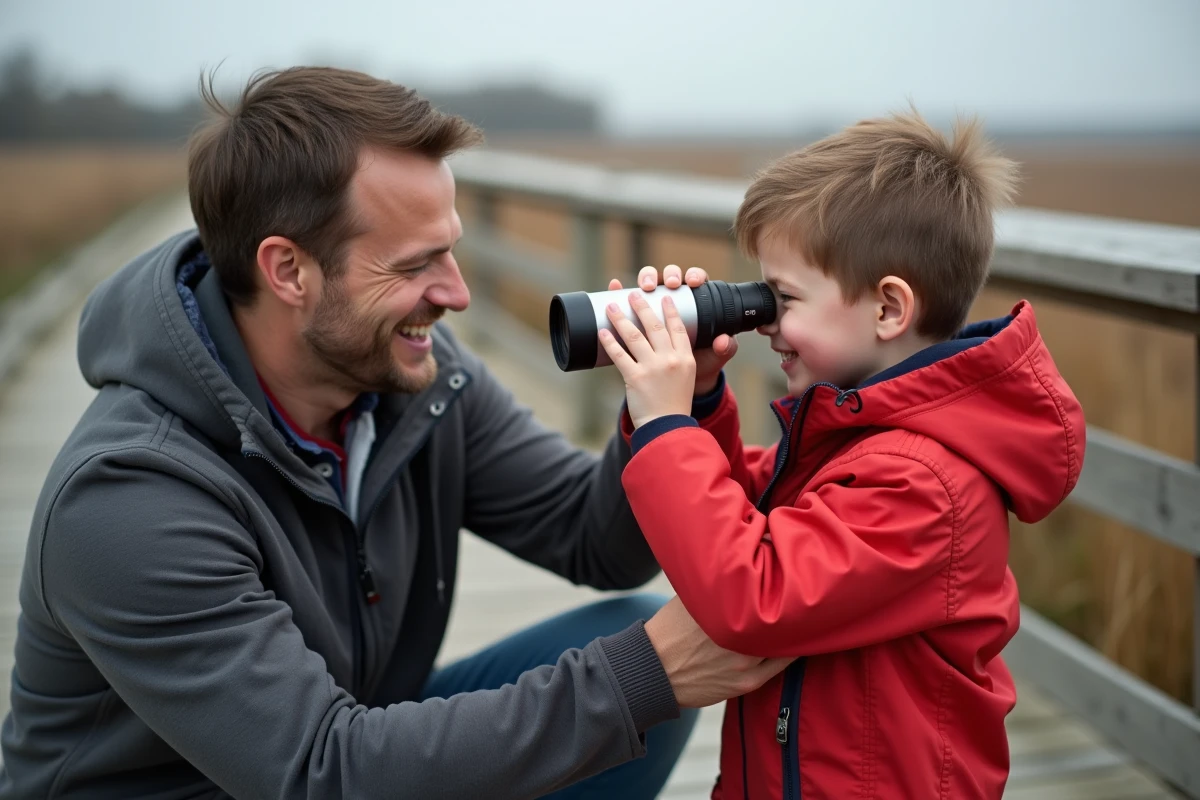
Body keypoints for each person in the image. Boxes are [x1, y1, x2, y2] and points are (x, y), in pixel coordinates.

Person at [0, 67, 792, 799]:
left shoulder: (413, 381)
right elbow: (321, 771)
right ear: (289, 271)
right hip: (294, 774)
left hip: (347, 745)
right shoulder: (128, 499)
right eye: (417, 264)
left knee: (626, 647)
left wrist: (672, 403)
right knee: (633, 673)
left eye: (452, 248)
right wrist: (642, 676)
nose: (456, 294)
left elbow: (599, 542)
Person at [597, 109, 1086, 798]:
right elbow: (733, 515)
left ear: (889, 308)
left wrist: (664, 425)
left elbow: (752, 594)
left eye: (785, 297)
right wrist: (701, 401)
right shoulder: (855, 438)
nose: (765, 320)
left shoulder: (923, 485)